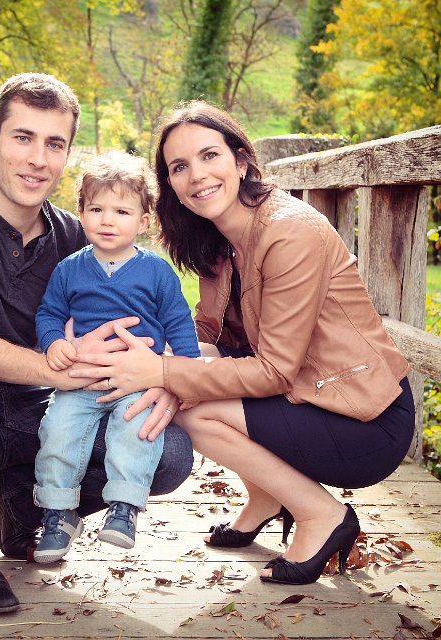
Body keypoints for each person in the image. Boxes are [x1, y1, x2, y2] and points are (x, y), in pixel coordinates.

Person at [68, 101, 415, 586]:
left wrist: (163, 374)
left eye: (210, 156)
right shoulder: (217, 239)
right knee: (183, 373)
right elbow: (204, 339)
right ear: (170, 186)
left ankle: (321, 514)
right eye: (180, 167)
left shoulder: (291, 232)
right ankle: (268, 497)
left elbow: (273, 371)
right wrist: (147, 354)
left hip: (362, 416)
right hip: (304, 396)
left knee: (192, 406)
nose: (197, 175)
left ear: (241, 160)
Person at [0, 74, 193, 614]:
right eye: (22, 138)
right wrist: (53, 369)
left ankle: (25, 507)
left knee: (167, 452)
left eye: (54, 144)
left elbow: (141, 324)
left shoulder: (80, 239)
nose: (36, 159)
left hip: (41, 424)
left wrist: (166, 376)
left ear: (67, 155)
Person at [33, 152, 200, 563]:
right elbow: (50, 313)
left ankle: (124, 508)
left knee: (136, 431)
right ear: (82, 214)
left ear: (143, 222)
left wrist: (188, 373)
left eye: (122, 211)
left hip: (138, 381)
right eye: (97, 209)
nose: (108, 220)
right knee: (57, 431)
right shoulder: (70, 269)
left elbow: (179, 323)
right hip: (83, 379)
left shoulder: (157, 272)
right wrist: (55, 342)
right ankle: (58, 512)